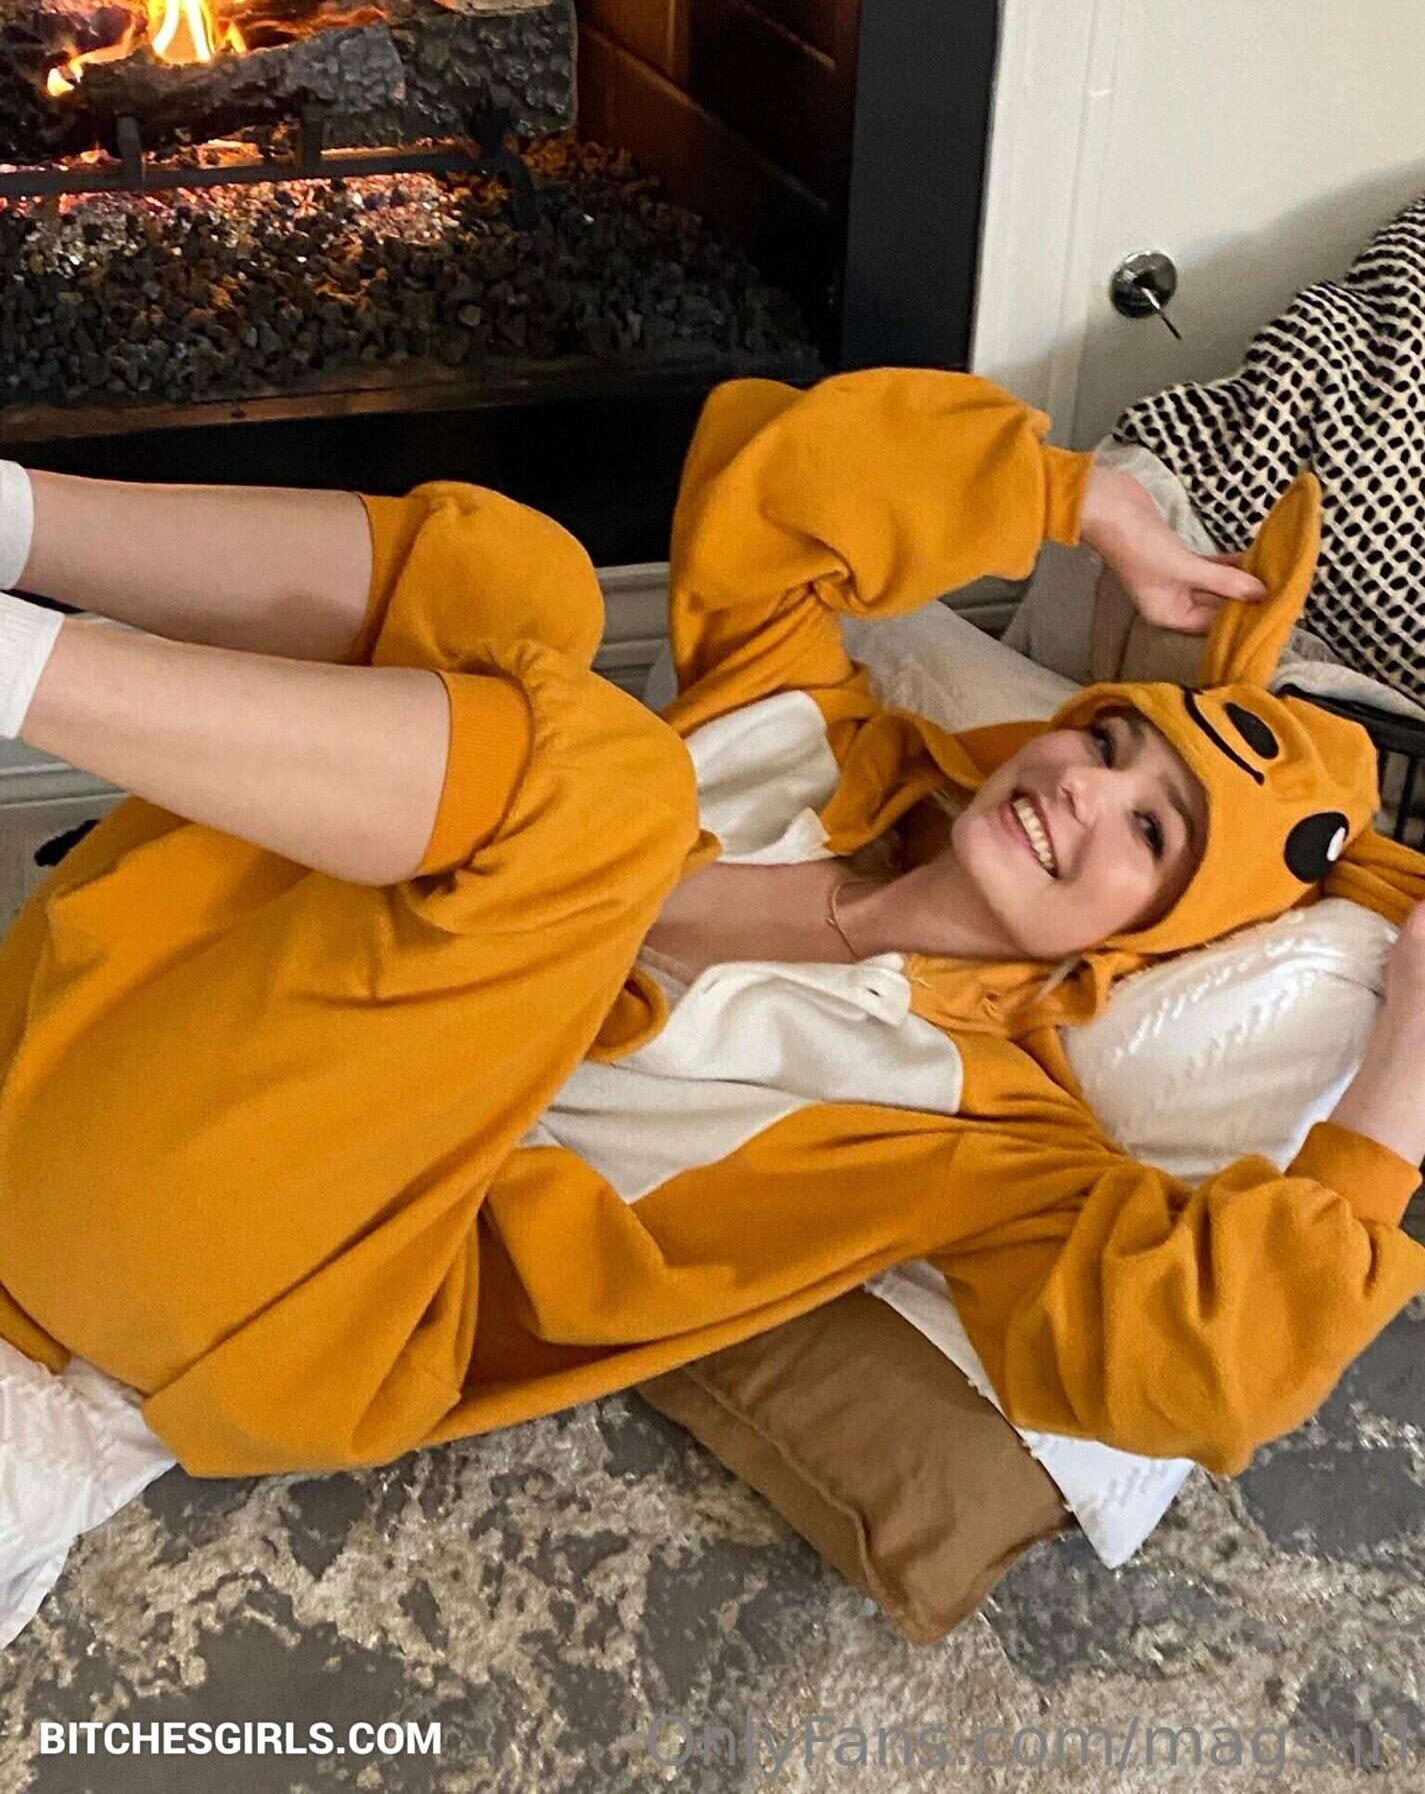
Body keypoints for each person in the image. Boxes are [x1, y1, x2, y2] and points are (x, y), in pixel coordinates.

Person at [0, 369, 1420, 1484]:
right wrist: (1078, 498)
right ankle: (13, 519)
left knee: (614, 798)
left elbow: (1207, 1373)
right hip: (112, 1023)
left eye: (1152, 834)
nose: (1084, 792)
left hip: (255, 1258)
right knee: (518, 576)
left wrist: (1405, 1063)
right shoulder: (811, 735)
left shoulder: (991, 1138)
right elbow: (782, 484)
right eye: (1107, 743)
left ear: (1149, 937)